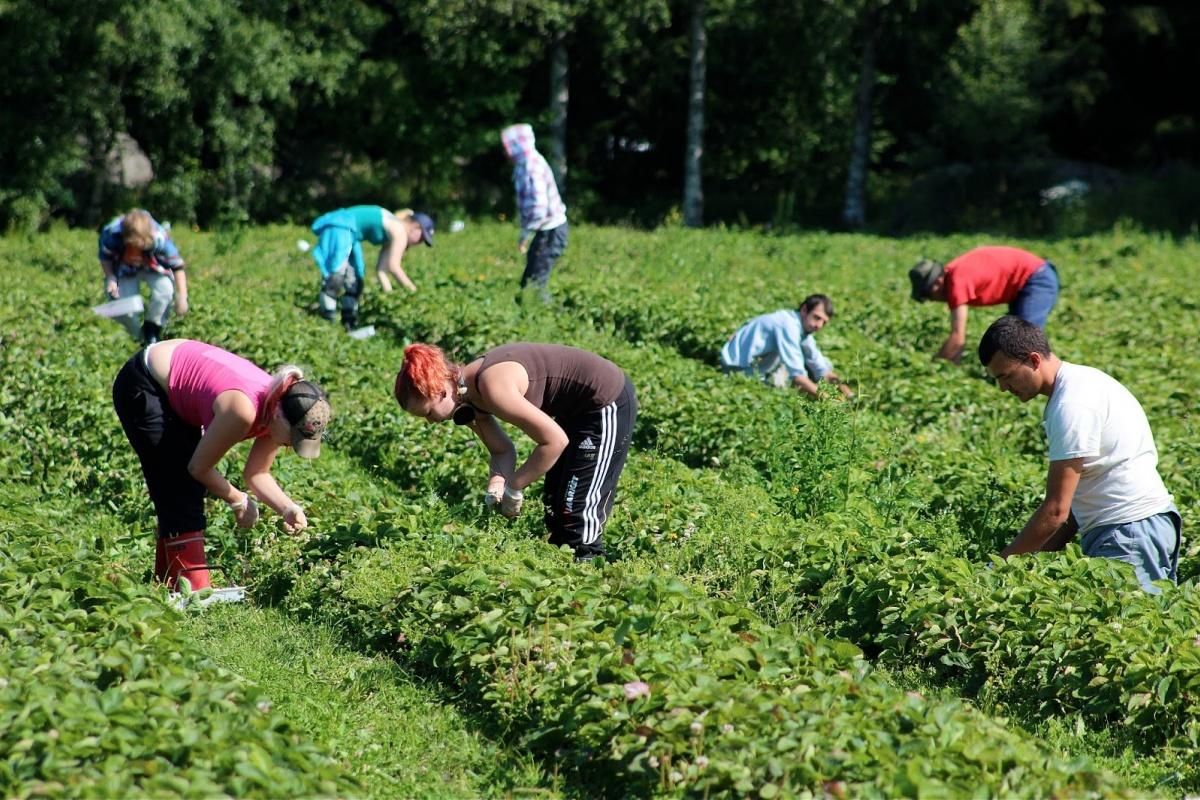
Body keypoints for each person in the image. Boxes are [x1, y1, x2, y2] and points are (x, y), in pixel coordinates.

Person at [978, 315, 1180, 592]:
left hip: (1127, 530)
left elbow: (1056, 511)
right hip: (1137, 526)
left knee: (1129, 629)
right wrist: (1032, 564)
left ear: (1034, 360)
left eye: (1007, 376)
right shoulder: (1082, 383)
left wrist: (997, 569)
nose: (1003, 387)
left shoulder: (1072, 404)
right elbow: (1072, 508)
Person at [112, 338, 331, 593]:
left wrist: (287, 508)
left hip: (175, 383)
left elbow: (257, 473)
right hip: (145, 382)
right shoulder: (243, 410)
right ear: (280, 417)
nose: (289, 445)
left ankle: (167, 586)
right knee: (181, 486)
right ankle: (193, 591)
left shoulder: (278, 406)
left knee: (179, 490)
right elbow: (198, 468)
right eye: (293, 438)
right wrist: (238, 500)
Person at [394, 342, 636, 561]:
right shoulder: (465, 395)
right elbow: (501, 451)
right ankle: (564, 576)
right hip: (574, 410)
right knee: (556, 504)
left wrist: (515, 487)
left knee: (577, 516)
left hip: (604, 402)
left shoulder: (491, 387)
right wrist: (497, 486)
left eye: (428, 413)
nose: (430, 422)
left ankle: (592, 576)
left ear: (440, 392)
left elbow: (554, 441)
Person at [910, 245, 1060, 363]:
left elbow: (957, 339)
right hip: (1025, 283)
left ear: (936, 284)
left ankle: (1049, 382)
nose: (932, 300)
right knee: (1012, 340)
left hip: (1036, 278)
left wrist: (936, 368)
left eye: (928, 295)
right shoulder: (955, 274)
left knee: (1025, 341)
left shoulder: (956, 282)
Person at [309, 205, 434, 330]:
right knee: (336, 276)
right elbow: (394, 267)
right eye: (421, 238)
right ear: (415, 227)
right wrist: (413, 292)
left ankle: (348, 324)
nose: (419, 243)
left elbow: (381, 271)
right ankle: (327, 320)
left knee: (356, 282)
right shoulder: (400, 230)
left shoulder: (393, 230)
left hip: (351, 234)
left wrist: (390, 297)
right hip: (341, 227)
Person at [720, 295, 854, 399]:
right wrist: (830, 400)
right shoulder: (787, 326)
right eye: (817, 318)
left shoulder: (802, 329)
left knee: (822, 363)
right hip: (738, 370)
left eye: (824, 322)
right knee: (792, 375)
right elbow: (798, 376)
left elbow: (820, 367)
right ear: (804, 310)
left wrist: (847, 392)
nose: (819, 325)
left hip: (755, 364)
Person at [98, 209, 189, 345]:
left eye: (139, 246)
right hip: (124, 268)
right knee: (125, 306)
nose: (135, 252)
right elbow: (105, 258)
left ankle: (152, 329)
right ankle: (138, 338)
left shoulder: (160, 239)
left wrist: (182, 297)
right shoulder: (111, 234)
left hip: (152, 265)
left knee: (165, 291)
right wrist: (111, 277)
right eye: (131, 246)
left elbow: (177, 266)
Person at [500, 124, 568, 302]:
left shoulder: (530, 166)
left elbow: (538, 206)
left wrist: (526, 234)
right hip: (545, 229)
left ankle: (548, 319)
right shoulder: (526, 163)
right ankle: (527, 311)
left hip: (550, 230)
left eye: (507, 147)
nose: (505, 152)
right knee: (529, 280)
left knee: (535, 283)